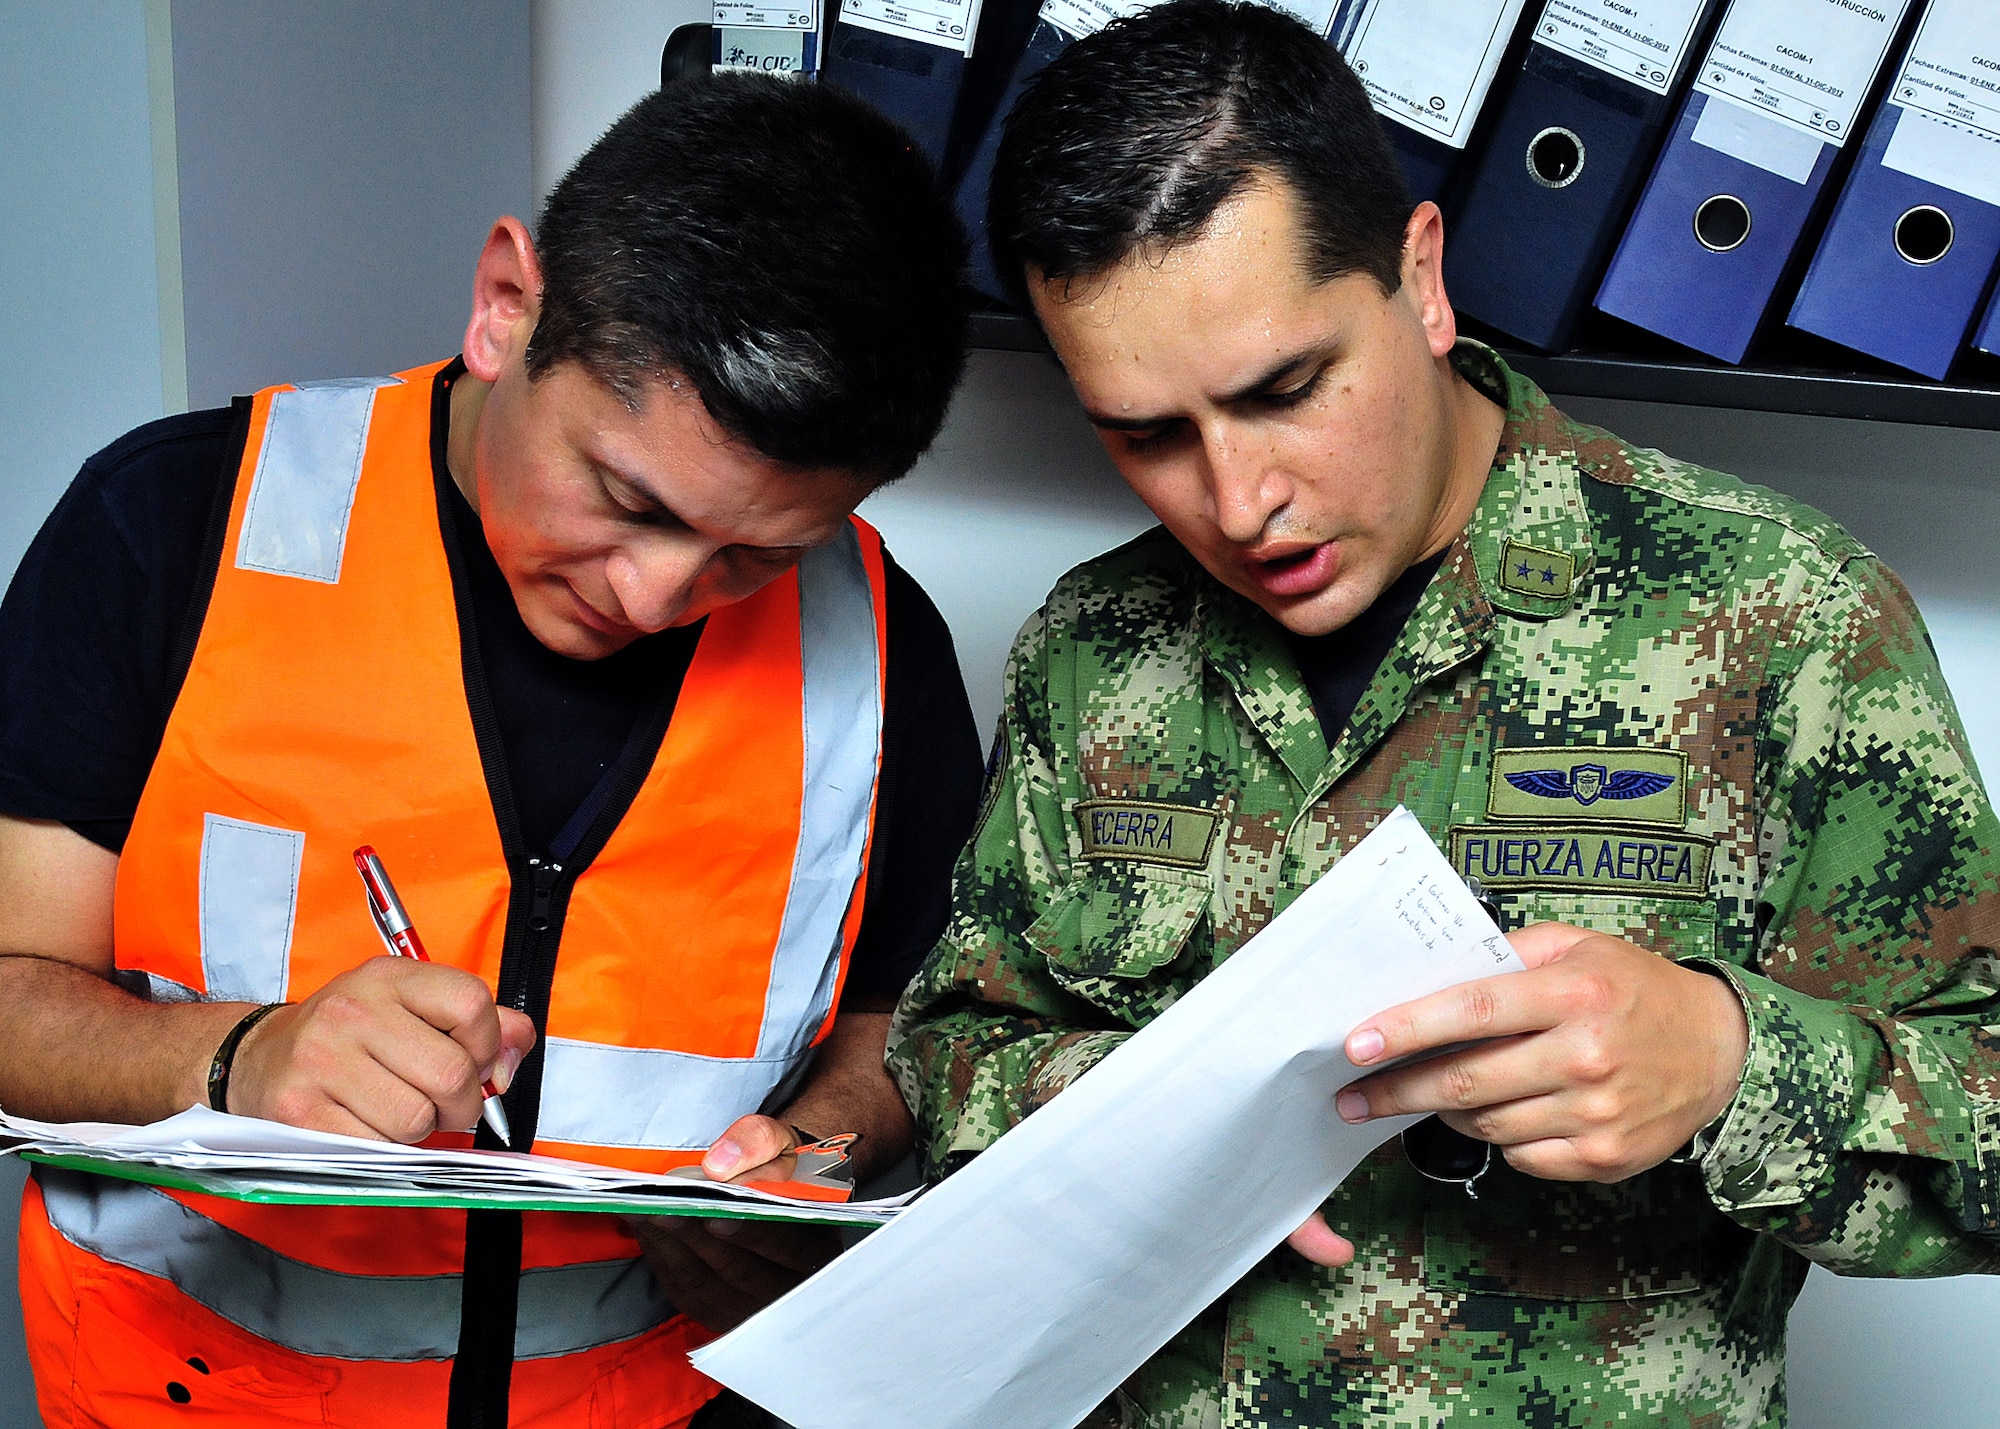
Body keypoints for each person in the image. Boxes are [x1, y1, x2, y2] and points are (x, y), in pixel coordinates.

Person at [887, 3, 2000, 1424]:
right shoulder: (1093, 645)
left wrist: (1729, 1060)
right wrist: (1137, 1121)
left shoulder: (1790, 619)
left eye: (1285, 389)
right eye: (1147, 434)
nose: (1238, 502)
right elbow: (956, 1042)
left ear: (1419, 278)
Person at [0, 74, 981, 1428]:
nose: (655, 596)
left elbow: (898, 1025)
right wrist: (235, 1060)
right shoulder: (171, 525)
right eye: (625, 497)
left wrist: (823, 1149)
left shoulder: (878, 646)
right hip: (193, 1395)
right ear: (506, 307)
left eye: (755, 552)